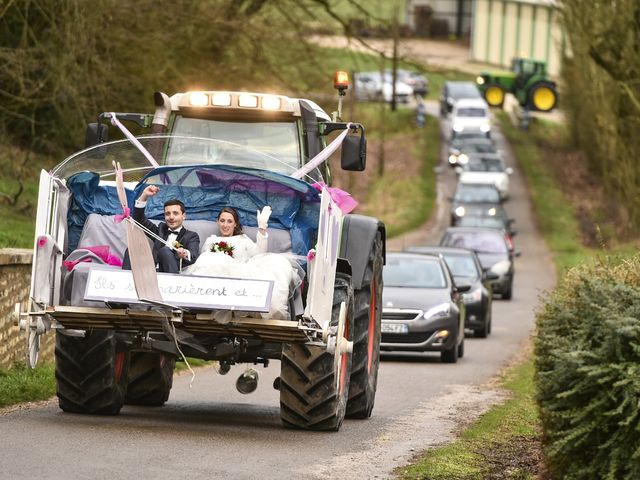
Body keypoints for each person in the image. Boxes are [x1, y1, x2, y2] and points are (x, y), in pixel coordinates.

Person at [185, 206, 300, 319]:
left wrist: (262, 228)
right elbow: (203, 262)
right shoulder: (211, 240)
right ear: (218, 222)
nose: (225, 225)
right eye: (222, 221)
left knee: (278, 262)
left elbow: (260, 253)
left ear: (235, 224)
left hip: (237, 279)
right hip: (215, 283)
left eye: (229, 221)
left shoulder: (242, 239)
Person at [122, 185, 200, 273]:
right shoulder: (160, 230)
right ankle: (126, 282)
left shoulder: (191, 236)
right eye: (167, 214)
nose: (171, 217)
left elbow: (193, 256)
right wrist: (144, 195)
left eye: (175, 213)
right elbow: (139, 220)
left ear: (183, 216)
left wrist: (184, 253)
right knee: (132, 248)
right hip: (152, 272)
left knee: (165, 251)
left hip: (173, 274)